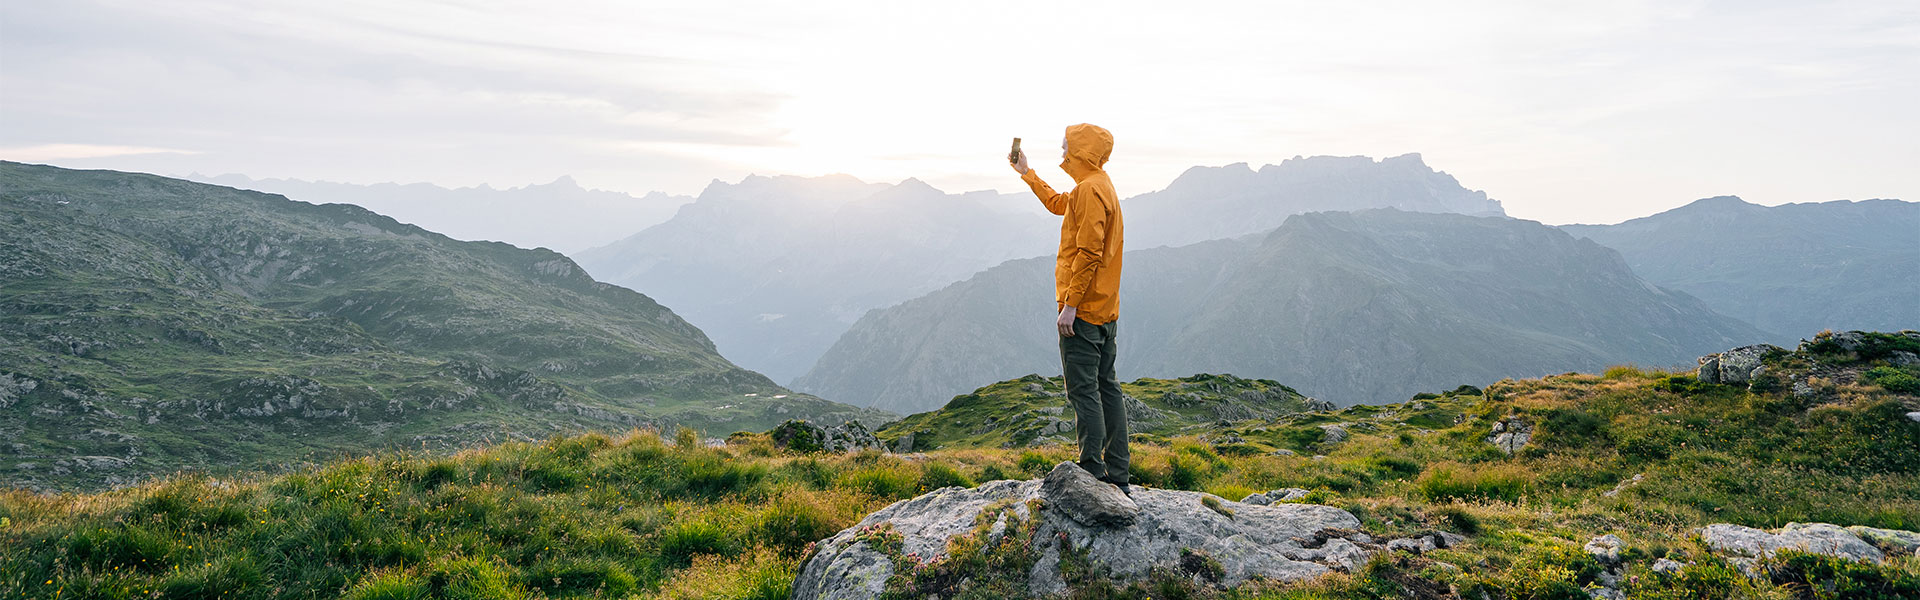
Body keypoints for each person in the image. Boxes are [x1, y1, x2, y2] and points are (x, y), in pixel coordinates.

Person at [1009, 123, 1128, 492]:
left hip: (1086, 312)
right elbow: (1059, 204)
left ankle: (1093, 472)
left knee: (1084, 391)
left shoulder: (1091, 190)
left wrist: (1070, 306)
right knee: (1107, 387)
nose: (1062, 151)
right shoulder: (1095, 185)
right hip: (1105, 310)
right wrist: (1027, 173)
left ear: (1082, 151)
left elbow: (1089, 253)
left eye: (1067, 146)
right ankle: (1119, 474)